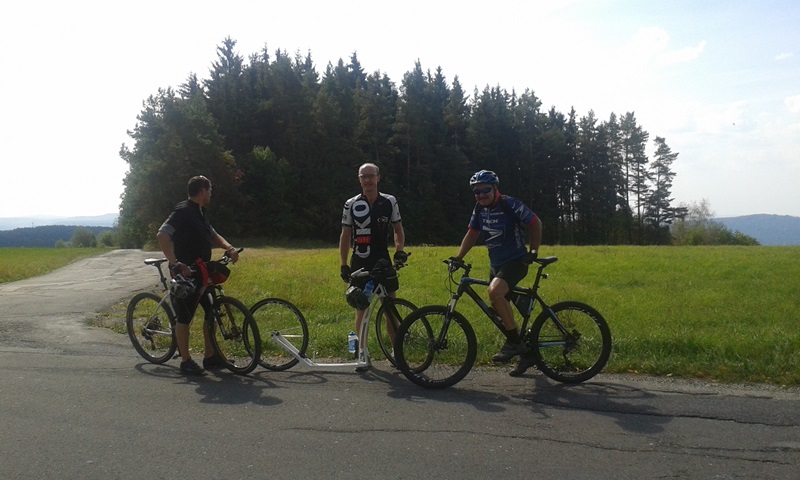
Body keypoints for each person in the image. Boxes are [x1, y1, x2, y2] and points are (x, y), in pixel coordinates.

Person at [450, 169, 542, 377]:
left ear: (495, 189)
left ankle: (514, 342)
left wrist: (534, 252)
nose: (481, 195)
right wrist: (458, 257)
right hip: (496, 264)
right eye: (477, 192)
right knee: (498, 307)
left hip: (516, 261)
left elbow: (535, 223)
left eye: (485, 190)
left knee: (495, 292)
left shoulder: (510, 204)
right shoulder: (479, 209)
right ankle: (527, 354)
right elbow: (472, 233)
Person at [156, 175, 240, 375]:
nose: (211, 194)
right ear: (203, 190)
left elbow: (213, 234)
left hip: (202, 271)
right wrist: (175, 263)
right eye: (210, 191)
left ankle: (210, 357)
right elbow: (162, 234)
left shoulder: (200, 212)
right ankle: (186, 361)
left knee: (212, 312)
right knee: (184, 318)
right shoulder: (183, 210)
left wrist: (229, 248)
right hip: (186, 274)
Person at [339, 163, 406, 372]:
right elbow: (345, 235)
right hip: (360, 261)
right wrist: (343, 263)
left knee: (390, 308)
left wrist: (400, 250)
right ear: (359, 179)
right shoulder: (351, 204)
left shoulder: (389, 201)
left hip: (383, 260)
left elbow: (397, 229)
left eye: (371, 176)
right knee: (362, 307)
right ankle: (362, 353)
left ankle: (397, 353)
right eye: (364, 176)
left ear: (378, 177)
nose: (368, 180)